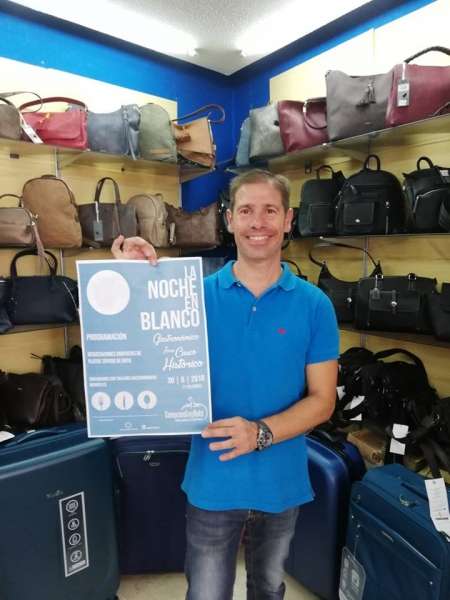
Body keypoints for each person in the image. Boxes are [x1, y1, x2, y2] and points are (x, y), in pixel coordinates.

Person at [111, 169, 339, 600]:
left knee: (268, 589)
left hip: (281, 483)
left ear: (288, 219)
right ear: (229, 219)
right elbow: (138, 348)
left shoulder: (315, 305)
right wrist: (135, 280)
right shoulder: (192, 297)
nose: (258, 223)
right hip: (213, 483)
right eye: (246, 211)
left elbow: (323, 401)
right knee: (206, 594)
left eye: (270, 210)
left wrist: (259, 433)